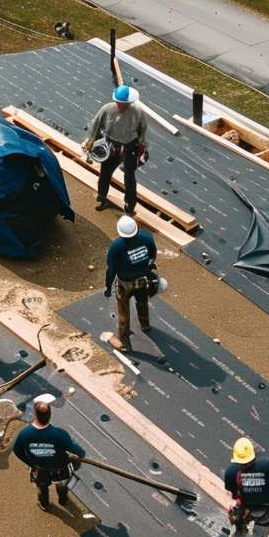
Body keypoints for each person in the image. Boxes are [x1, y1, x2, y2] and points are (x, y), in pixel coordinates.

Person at [83, 85, 148, 215]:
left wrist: (142, 144)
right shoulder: (107, 109)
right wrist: (91, 139)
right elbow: (95, 124)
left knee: (130, 177)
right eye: (119, 103)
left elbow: (143, 129)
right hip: (111, 146)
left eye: (124, 104)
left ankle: (129, 206)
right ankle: (102, 197)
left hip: (130, 147)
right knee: (105, 173)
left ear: (129, 102)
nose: (121, 106)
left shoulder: (138, 112)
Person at [12, 400, 86, 510]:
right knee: (62, 485)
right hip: (60, 468)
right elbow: (79, 452)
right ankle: (62, 500)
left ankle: (44, 504)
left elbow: (17, 450)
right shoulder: (60, 434)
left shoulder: (24, 433)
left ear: (35, 414)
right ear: (50, 415)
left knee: (41, 487)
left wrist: (31, 463)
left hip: (39, 468)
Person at [104, 215, 159, 351]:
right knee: (142, 302)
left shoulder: (116, 246)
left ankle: (124, 342)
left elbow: (111, 269)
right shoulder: (147, 237)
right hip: (141, 280)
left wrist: (108, 286)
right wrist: (145, 269)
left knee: (123, 312)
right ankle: (145, 325)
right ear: (136, 227)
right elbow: (152, 256)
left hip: (124, 283)